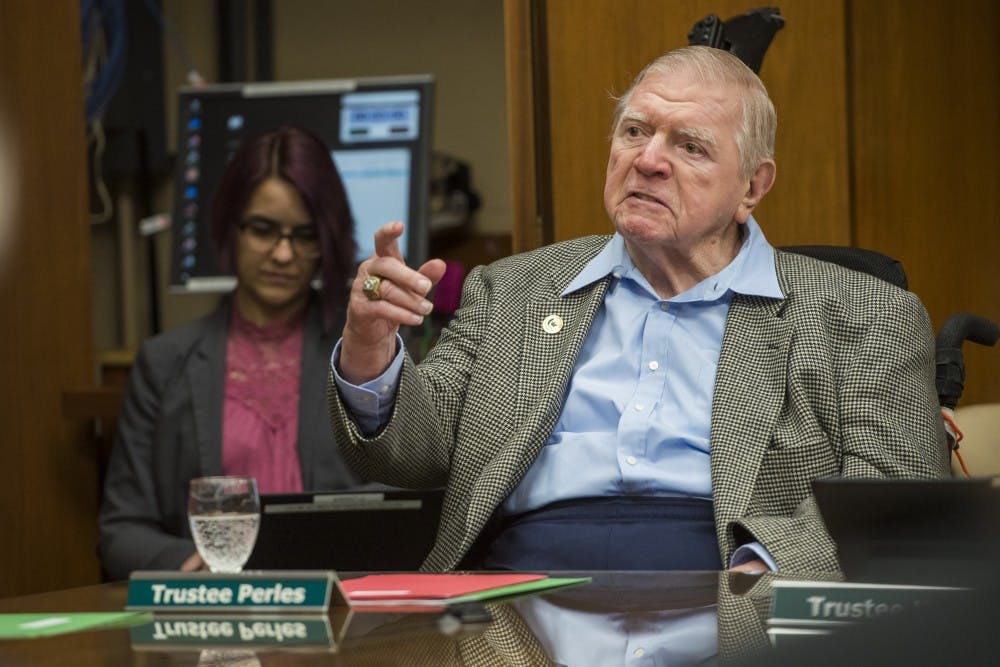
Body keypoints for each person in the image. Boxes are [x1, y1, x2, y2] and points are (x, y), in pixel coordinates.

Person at [328, 46, 948, 574]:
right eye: (634, 131)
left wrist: (769, 566)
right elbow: (413, 456)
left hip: (735, 596)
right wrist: (369, 347)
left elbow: (896, 497)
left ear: (752, 187)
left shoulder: (863, 314)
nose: (648, 160)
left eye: (690, 146)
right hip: (517, 600)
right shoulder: (514, 290)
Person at [99, 126, 362, 580]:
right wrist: (192, 565)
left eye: (304, 235)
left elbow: (405, 504)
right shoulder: (164, 362)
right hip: (214, 604)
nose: (283, 254)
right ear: (230, 226)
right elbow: (121, 530)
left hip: (339, 607)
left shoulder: (363, 359)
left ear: (326, 242)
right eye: (263, 229)